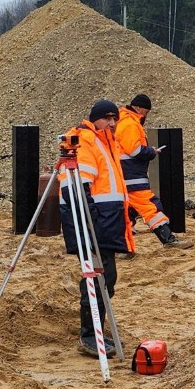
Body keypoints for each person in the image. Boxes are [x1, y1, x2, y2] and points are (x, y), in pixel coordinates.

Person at [58, 99, 135, 358]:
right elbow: (76, 189)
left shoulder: (107, 143)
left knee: (106, 279)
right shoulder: (88, 143)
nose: (112, 123)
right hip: (93, 225)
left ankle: (96, 329)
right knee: (97, 278)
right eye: (107, 118)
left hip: (104, 225)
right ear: (95, 119)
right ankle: (90, 335)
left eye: (115, 119)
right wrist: (91, 224)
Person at [116, 94, 191, 250]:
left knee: (127, 210)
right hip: (132, 176)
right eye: (146, 111)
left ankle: (123, 247)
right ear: (138, 108)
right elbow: (134, 150)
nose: (146, 115)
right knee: (150, 206)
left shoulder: (124, 121)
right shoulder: (130, 124)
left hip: (126, 175)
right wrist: (151, 152)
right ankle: (168, 239)